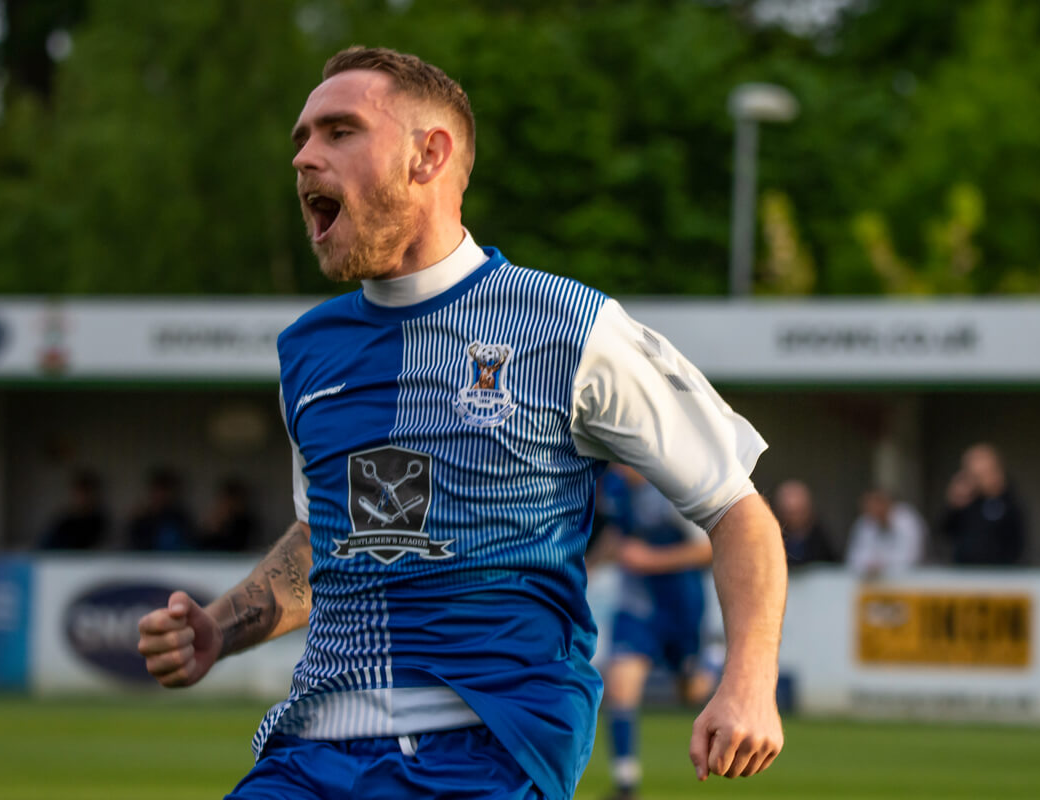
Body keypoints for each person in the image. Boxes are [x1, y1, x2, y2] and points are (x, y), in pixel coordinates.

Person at [136, 47, 786, 800]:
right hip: (307, 758)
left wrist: (748, 680)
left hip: (485, 757)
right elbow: (330, 537)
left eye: (339, 132)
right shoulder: (307, 352)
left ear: (429, 155)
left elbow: (738, 510)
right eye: (302, 140)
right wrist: (221, 628)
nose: (306, 158)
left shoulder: (573, 328)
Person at [597, 464, 716, 800]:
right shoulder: (615, 489)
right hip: (636, 606)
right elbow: (617, 539)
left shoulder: (672, 491)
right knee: (619, 684)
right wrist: (586, 568)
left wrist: (651, 559)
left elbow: (706, 549)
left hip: (682, 609)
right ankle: (625, 784)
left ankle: (711, 660)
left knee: (691, 692)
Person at [942, 443, 1027, 565]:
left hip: (1000, 573)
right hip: (964, 572)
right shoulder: (965, 500)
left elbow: (1017, 541)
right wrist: (953, 505)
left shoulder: (1008, 500)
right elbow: (945, 532)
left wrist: (997, 492)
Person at [844, 488, 926, 577]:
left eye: (875, 504)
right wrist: (870, 566)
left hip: (909, 581)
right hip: (872, 581)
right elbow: (854, 558)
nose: (870, 509)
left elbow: (911, 557)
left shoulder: (907, 520)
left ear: (886, 503)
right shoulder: (864, 523)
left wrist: (881, 566)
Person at [127, 467, 197, 551]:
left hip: (176, 561)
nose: (160, 495)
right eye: (157, 491)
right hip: (147, 561)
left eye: (164, 491)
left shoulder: (180, 517)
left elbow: (189, 543)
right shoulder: (142, 518)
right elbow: (135, 544)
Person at [773, 479, 837, 568]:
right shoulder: (773, 537)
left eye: (799, 512)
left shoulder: (819, 537)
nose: (794, 519)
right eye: (789, 513)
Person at [40, 469, 108, 550]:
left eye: (86, 493)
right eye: (79, 493)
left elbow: (101, 546)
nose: (82, 498)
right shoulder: (65, 521)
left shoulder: (100, 521)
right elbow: (45, 544)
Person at [197, 478, 258, 552]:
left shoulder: (245, 522)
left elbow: (239, 545)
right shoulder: (215, 518)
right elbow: (201, 545)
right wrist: (212, 527)